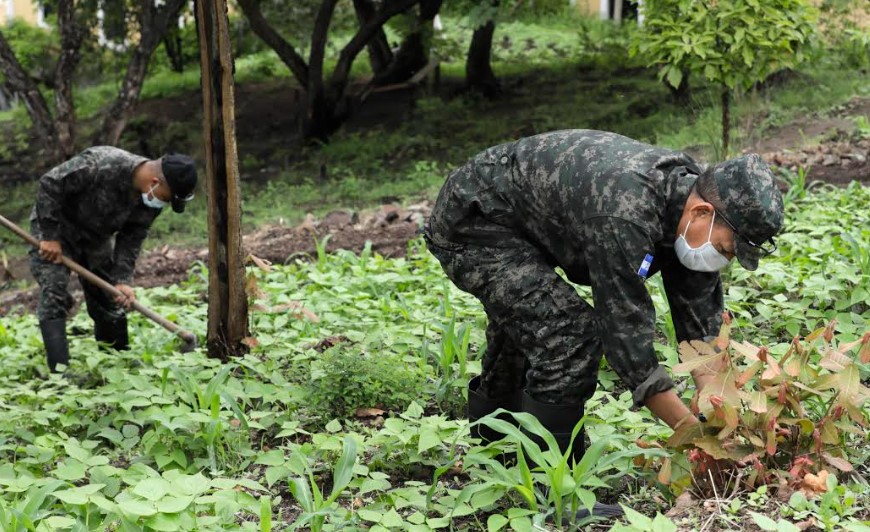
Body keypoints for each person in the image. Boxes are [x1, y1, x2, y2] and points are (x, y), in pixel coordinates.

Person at [423, 129, 783, 462]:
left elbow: (700, 325)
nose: (724, 258)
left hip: (526, 216)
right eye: (726, 248)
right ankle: (552, 481)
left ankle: (491, 447)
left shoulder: (685, 199)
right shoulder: (625, 212)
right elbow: (625, 338)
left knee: (527, 325)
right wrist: (690, 434)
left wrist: (715, 408)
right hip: (475, 220)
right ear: (702, 211)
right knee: (566, 335)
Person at [30, 147, 197, 373]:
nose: (164, 204)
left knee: (110, 298)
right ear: (155, 182)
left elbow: (132, 238)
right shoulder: (100, 165)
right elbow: (50, 184)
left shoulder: (149, 201)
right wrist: (49, 237)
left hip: (96, 237)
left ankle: (118, 366)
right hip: (56, 228)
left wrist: (123, 280)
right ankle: (60, 376)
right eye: (167, 198)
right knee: (54, 290)